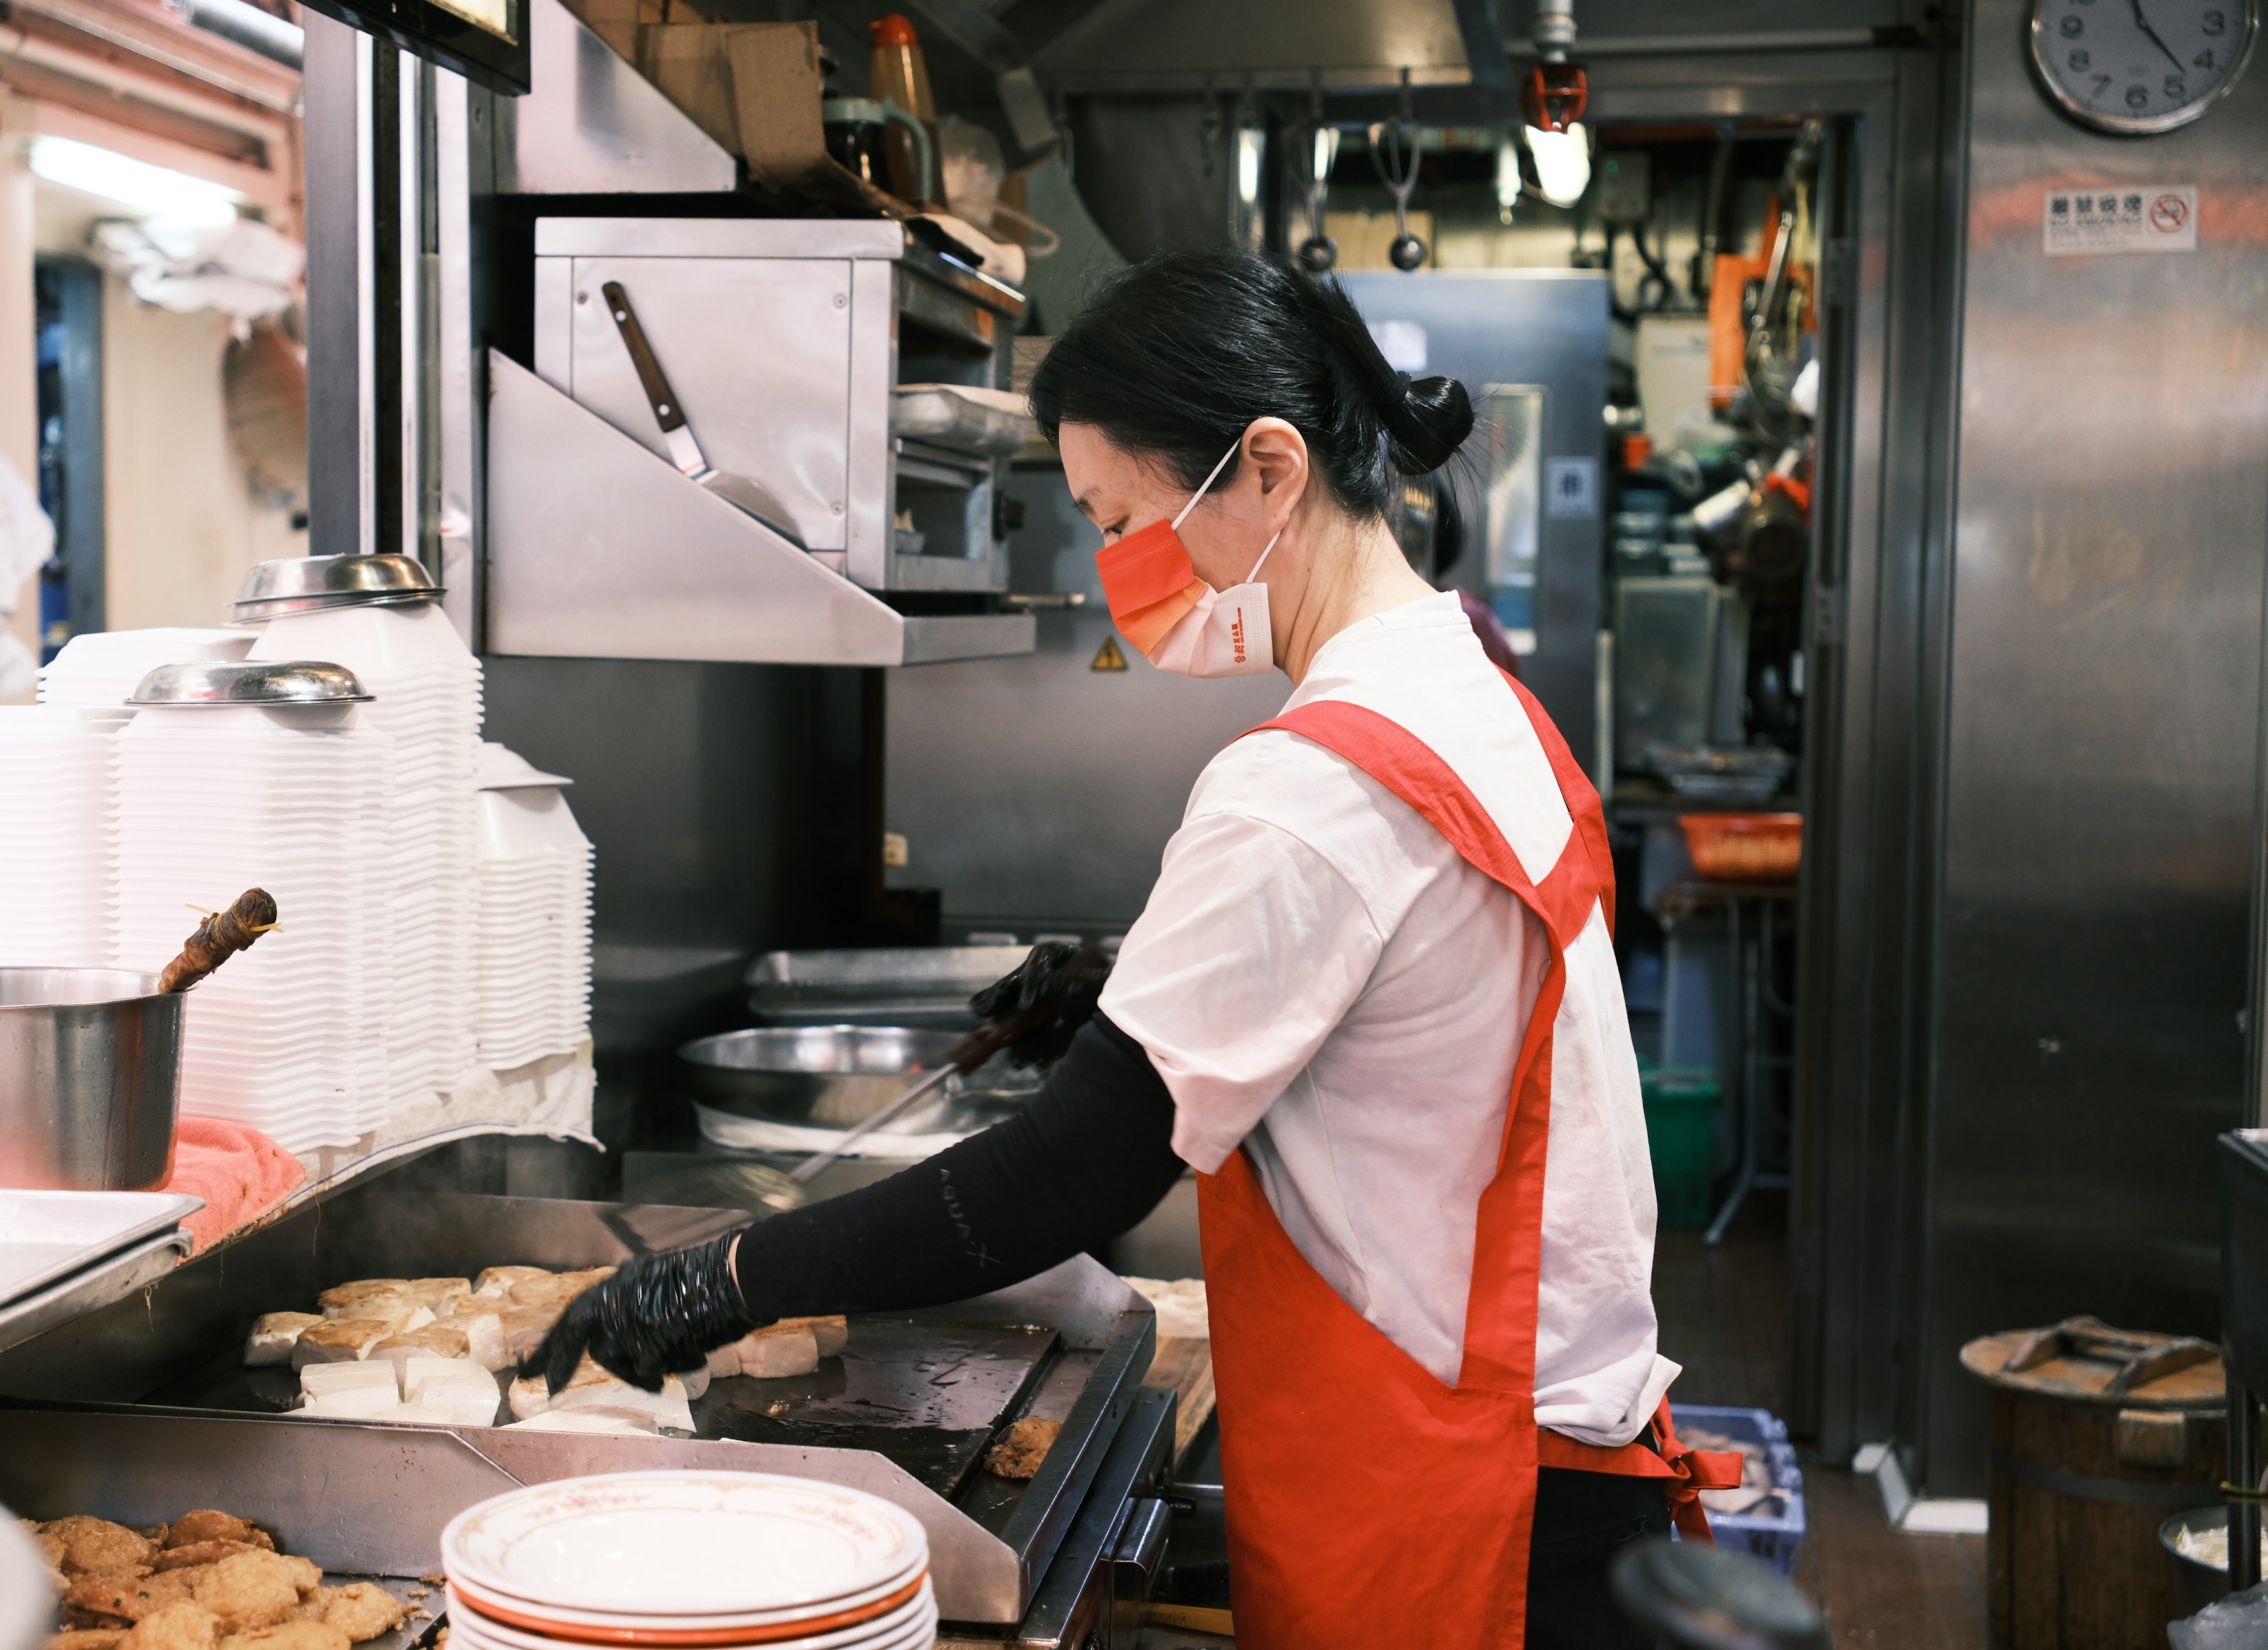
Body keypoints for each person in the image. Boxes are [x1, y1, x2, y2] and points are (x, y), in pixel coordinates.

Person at [529, 250, 1735, 1650]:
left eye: (1123, 518)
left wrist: (727, 1280)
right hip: (1561, 1469)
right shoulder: (1466, 692)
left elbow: (1065, 1177)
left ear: (1270, 469)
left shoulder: (1309, 786)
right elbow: (1416, 997)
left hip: (1468, 1515)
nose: (1116, 572)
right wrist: (1123, 1000)